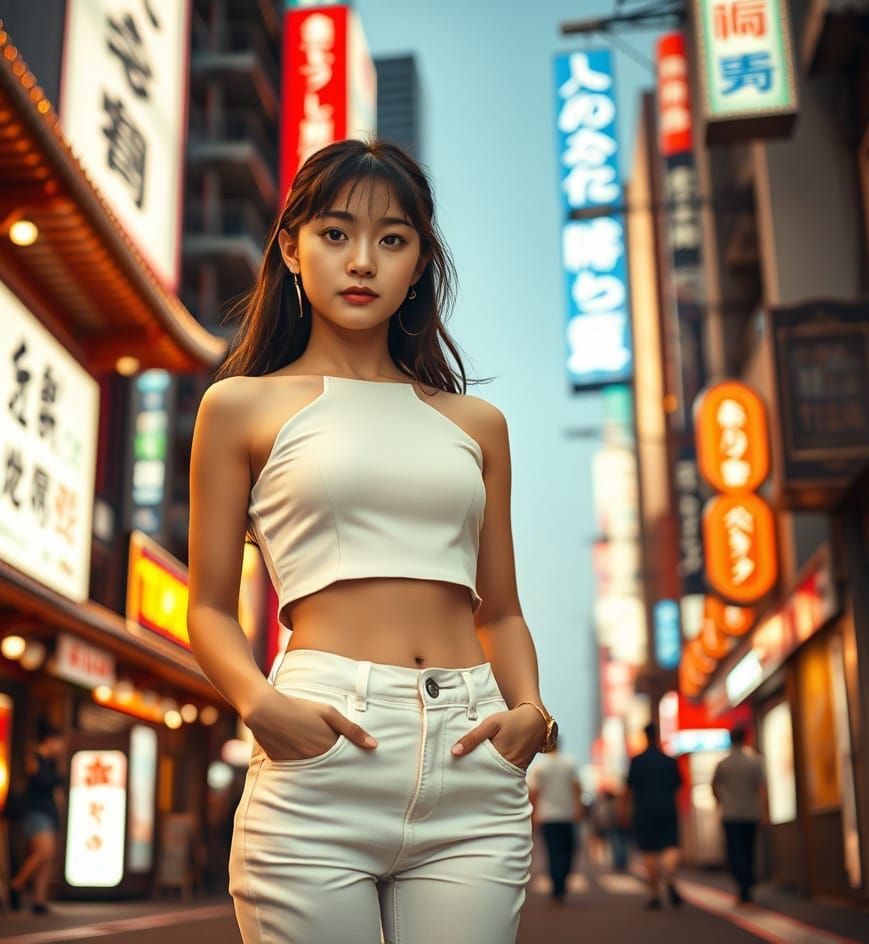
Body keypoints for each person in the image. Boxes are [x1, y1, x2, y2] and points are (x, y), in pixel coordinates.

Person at [186, 138, 558, 944]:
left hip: (472, 756)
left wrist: (531, 713)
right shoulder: (239, 407)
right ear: (289, 248)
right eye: (334, 234)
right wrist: (261, 707)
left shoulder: (476, 424)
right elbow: (209, 608)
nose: (363, 261)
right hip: (324, 750)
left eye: (393, 239)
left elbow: (500, 611)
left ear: (420, 262)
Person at [622, 723, 682, 909]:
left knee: (649, 850)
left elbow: (629, 789)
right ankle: (669, 877)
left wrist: (624, 810)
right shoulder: (669, 761)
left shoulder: (637, 761)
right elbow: (678, 785)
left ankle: (655, 893)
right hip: (667, 808)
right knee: (671, 845)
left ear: (644, 736)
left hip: (644, 810)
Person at [9, 723, 65, 914]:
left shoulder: (51, 762)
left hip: (49, 812)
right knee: (43, 852)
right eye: (59, 742)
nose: (61, 747)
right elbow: (40, 781)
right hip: (36, 811)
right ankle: (17, 884)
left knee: (48, 857)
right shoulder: (34, 757)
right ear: (50, 740)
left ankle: (39, 899)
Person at [712, 724, 767, 904]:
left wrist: (721, 802)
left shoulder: (723, 764)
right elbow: (762, 788)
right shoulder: (755, 761)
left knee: (734, 852)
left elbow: (714, 786)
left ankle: (741, 885)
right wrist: (763, 811)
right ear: (746, 738)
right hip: (751, 813)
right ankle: (748, 887)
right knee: (749, 850)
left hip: (730, 814)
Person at [528, 738, 581, 903]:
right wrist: (578, 808)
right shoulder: (570, 763)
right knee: (568, 851)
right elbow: (577, 788)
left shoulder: (539, 767)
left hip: (546, 815)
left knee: (552, 852)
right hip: (567, 814)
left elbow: (534, 793)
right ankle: (562, 882)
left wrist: (533, 814)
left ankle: (557, 887)